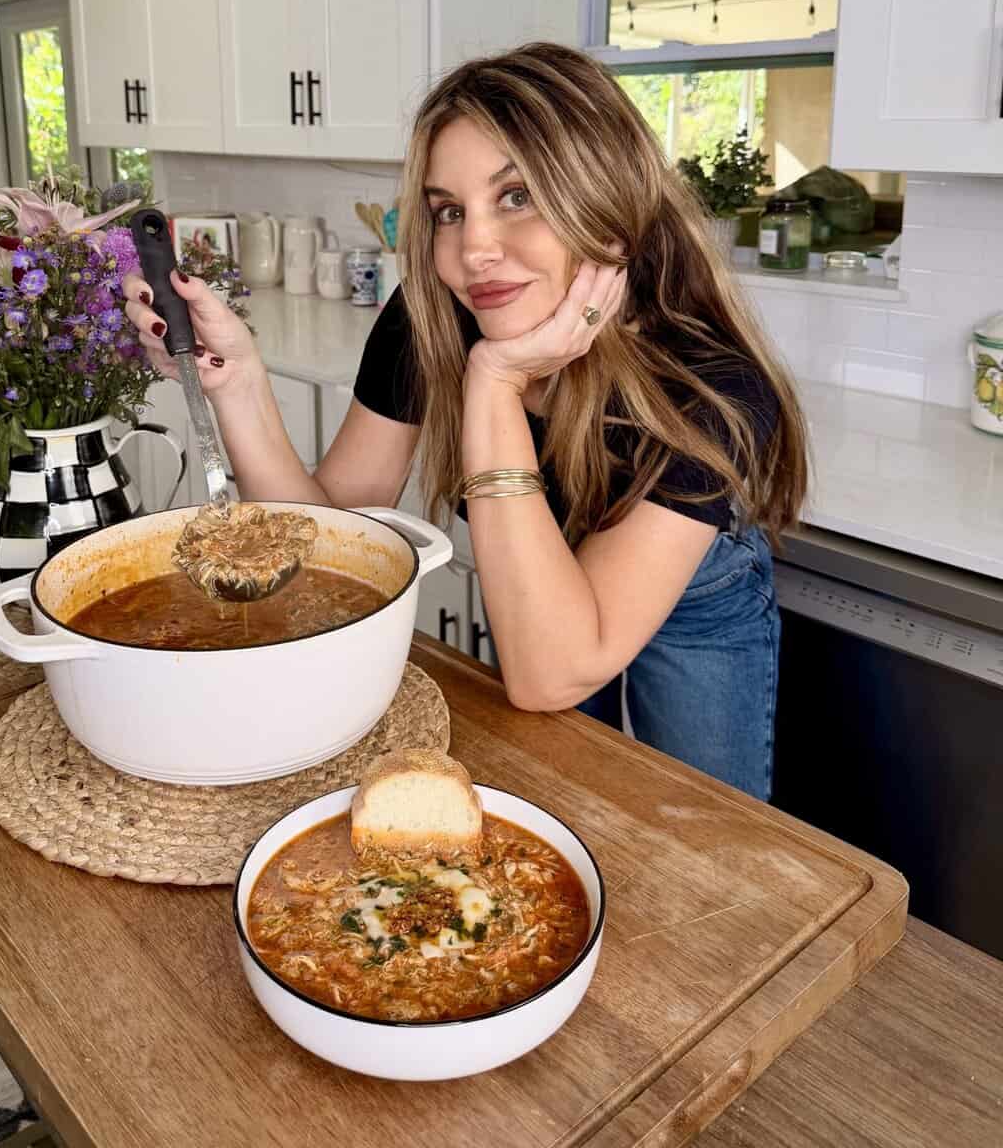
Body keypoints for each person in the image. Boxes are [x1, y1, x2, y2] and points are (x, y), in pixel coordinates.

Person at [123, 43, 808, 800]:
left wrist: (493, 380)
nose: (473, 249)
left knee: (700, 830)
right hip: (541, 601)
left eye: (517, 196)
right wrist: (241, 382)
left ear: (607, 202)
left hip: (693, 606)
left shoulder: (710, 386)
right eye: (449, 211)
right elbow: (332, 533)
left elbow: (553, 673)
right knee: (558, 801)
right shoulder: (433, 319)